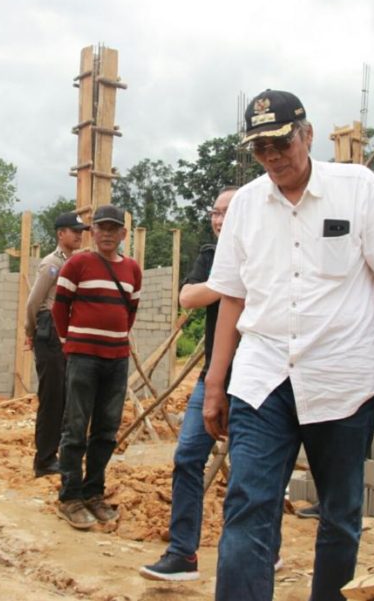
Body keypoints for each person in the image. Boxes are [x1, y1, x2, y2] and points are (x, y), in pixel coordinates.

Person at [202, 88, 374, 601]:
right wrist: (217, 382)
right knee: (249, 504)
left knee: (340, 515)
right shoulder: (245, 207)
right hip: (264, 379)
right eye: (260, 148)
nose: (273, 156)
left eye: (282, 141)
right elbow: (231, 298)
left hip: (343, 379)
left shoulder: (357, 187)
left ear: (307, 134)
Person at [139, 186, 237, 581]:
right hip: (211, 378)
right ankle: (183, 554)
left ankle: (262, 551)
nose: (218, 219)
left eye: (227, 212)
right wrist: (229, 284)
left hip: (257, 379)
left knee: (252, 472)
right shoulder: (211, 256)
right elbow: (188, 297)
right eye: (215, 212)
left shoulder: (269, 252)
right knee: (187, 458)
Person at [51, 204, 142, 530]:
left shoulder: (132, 269)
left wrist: (113, 340)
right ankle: (70, 498)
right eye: (100, 227)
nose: (105, 233)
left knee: (105, 431)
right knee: (75, 429)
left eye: (112, 228)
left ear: (122, 234)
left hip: (116, 360)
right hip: (83, 358)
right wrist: (69, 342)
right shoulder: (78, 264)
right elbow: (60, 308)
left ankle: (94, 494)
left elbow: (129, 312)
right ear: (92, 232)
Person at [25, 211, 89, 478]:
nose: (79, 235)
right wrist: (32, 331)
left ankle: (57, 455)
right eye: (74, 231)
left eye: (81, 231)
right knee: (52, 398)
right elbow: (33, 302)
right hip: (49, 329)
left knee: (64, 397)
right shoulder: (52, 263)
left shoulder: (76, 262)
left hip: (65, 331)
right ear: (60, 234)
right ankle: (44, 461)